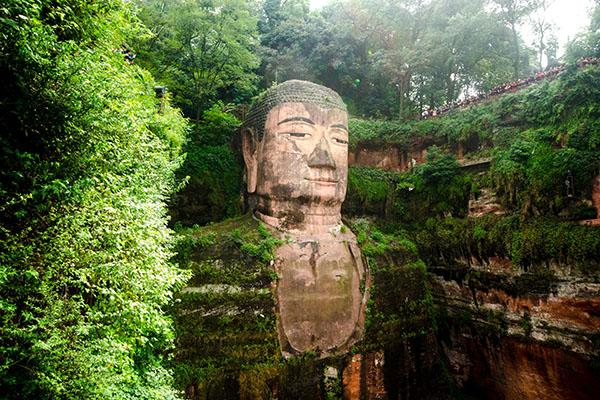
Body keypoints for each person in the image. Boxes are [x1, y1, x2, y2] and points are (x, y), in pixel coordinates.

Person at [241, 80, 368, 357]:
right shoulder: (220, 258)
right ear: (252, 149)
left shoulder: (386, 257)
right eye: (299, 133)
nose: (324, 158)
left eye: (339, 140)